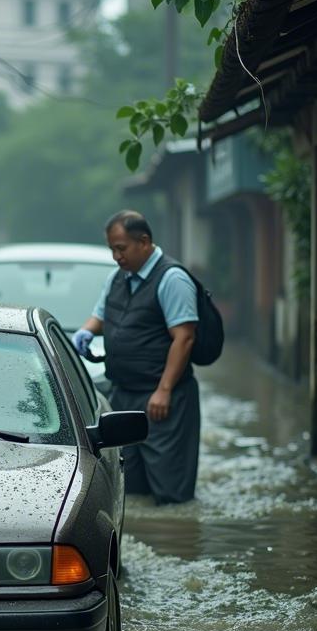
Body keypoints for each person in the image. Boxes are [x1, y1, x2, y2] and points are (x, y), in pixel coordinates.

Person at [73, 210, 199, 504]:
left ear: (144, 242)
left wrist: (164, 390)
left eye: (121, 248)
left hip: (162, 399)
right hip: (123, 396)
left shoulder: (172, 279)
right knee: (129, 487)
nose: (116, 256)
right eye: (112, 249)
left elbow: (185, 337)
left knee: (169, 490)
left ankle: (175, 542)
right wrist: (86, 331)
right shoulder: (118, 278)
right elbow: (103, 316)